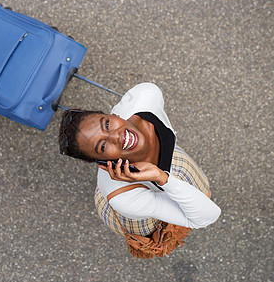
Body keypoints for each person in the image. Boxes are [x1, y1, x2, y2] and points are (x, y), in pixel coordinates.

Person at [59, 83, 221, 238]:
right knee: (156, 227)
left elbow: (148, 91)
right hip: (131, 213)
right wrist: (161, 178)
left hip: (161, 178)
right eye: (102, 146)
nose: (116, 136)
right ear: (101, 163)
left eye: (107, 124)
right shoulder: (123, 197)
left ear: (114, 115)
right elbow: (206, 217)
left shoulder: (146, 97)